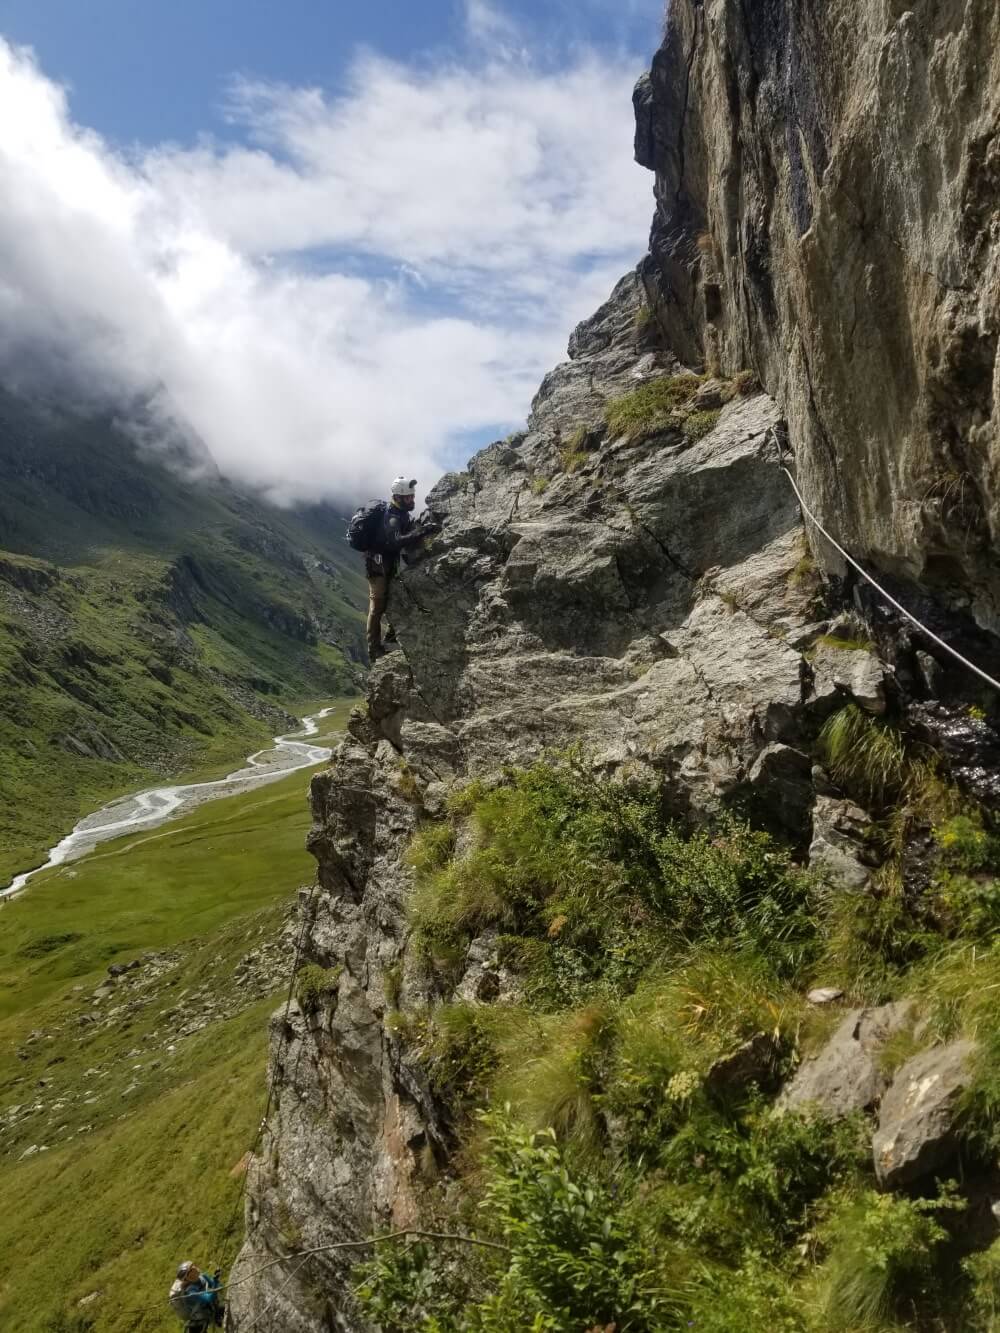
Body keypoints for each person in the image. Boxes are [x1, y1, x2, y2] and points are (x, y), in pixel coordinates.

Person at [365, 477, 438, 661]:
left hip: (389, 562)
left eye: (412, 496)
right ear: (398, 497)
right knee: (377, 606)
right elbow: (395, 541)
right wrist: (420, 532)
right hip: (377, 565)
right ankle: (374, 648)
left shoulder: (402, 514)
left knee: (395, 596)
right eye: (408, 498)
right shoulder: (392, 517)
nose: (412, 500)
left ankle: (391, 637)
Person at [168, 1261, 223, 1329]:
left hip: (211, 1307)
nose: (195, 1268)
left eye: (193, 1266)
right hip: (201, 1316)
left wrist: (216, 1279)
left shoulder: (203, 1277)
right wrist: (215, 1281)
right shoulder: (191, 1292)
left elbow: (219, 1287)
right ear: (188, 1277)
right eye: (192, 1269)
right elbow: (209, 1299)